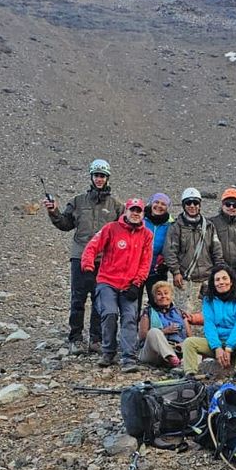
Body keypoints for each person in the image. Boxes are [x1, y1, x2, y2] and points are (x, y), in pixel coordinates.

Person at [43, 159, 123, 355]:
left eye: (102, 175)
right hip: (79, 256)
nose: (99, 179)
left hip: (103, 260)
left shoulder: (116, 206)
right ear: (91, 176)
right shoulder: (78, 201)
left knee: (100, 300)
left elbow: (124, 230)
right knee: (78, 299)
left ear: (107, 178)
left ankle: (96, 339)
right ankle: (76, 338)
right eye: (96, 175)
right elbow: (65, 224)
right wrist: (53, 211)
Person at [81, 197, 153, 372]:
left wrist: (137, 284)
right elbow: (92, 247)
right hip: (107, 281)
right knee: (110, 313)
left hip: (129, 284)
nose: (135, 213)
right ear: (126, 211)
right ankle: (108, 351)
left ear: (142, 214)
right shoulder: (111, 229)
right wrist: (88, 269)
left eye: (139, 211)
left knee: (129, 317)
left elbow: (146, 262)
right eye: (132, 210)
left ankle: (129, 358)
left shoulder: (147, 235)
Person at [180, 265, 236, 380]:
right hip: (216, 343)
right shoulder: (208, 300)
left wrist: (229, 347)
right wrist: (217, 347)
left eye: (224, 278)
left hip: (235, 345)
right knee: (189, 342)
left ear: (231, 281)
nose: (221, 282)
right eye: (217, 279)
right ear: (213, 283)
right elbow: (209, 325)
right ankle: (190, 376)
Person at [163, 188, 223, 313]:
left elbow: (216, 249)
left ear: (200, 205)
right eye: (188, 203)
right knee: (184, 312)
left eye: (195, 202)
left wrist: (218, 271)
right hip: (185, 278)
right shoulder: (176, 227)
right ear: (183, 205)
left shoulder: (209, 226)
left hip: (208, 276)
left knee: (211, 312)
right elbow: (170, 251)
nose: (192, 206)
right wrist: (175, 272)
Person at [137, 280, 188, 370]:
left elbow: (189, 336)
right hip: (153, 353)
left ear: (171, 296)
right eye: (159, 294)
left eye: (166, 293)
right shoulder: (148, 312)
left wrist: (182, 344)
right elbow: (142, 336)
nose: (163, 296)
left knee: (192, 342)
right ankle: (172, 358)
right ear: (155, 298)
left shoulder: (179, 313)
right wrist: (165, 331)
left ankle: (180, 364)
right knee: (154, 332)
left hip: (176, 349)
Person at [143, 193, 173, 299]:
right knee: (133, 304)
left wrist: (165, 263)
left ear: (167, 207)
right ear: (151, 203)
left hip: (157, 271)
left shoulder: (171, 225)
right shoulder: (140, 219)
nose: (159, 206)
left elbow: (172, 247)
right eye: (156, 202)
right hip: (137, 269)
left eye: (163, 204)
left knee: (157, 302)